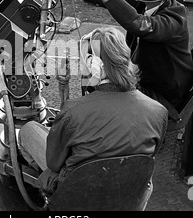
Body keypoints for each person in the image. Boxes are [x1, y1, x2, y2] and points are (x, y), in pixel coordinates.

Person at [18, 27, 168, 198]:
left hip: (80, 194)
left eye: (81, 61)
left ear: (95, 66)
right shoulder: (159, 111)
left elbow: (53, 162)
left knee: (29, 130)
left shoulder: (73, 111)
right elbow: (150, 155)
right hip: (129, 194)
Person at [69, 0, 193, 120]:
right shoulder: (145, 2)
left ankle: (95, 128)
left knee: (98, 84)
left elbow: (138, 24)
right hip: (143, 81)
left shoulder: (175, 19)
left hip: (161, 97)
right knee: (95, 70)